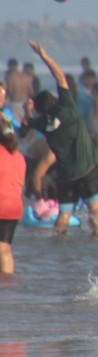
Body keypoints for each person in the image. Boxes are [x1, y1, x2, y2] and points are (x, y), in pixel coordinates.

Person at [24, 42, 98, 238]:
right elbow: (60, 76)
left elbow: (29, 121)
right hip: (88, 171)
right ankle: (96, 249)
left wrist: (29, 110)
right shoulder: (66, 108)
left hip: (66, 177)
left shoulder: (44, 125)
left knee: (63, 218)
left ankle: (58, 258)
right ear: (54, 101)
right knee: (96, 215)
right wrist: (44, 55)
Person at [0, 117, 25, 274]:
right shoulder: (18, 156)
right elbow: (21, 184)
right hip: (14, 206)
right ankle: (9, 284)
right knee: (6, 249)